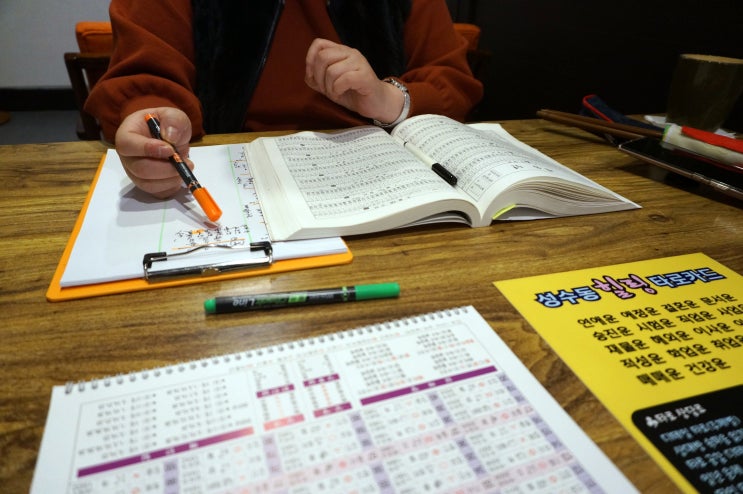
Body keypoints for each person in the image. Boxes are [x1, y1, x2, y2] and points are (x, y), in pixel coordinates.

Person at [85, 0, 484, 198]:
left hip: (384, 181)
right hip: (228, 178)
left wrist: (387, 98)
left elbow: (451, 79)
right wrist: (155, 120)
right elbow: (144, 76)